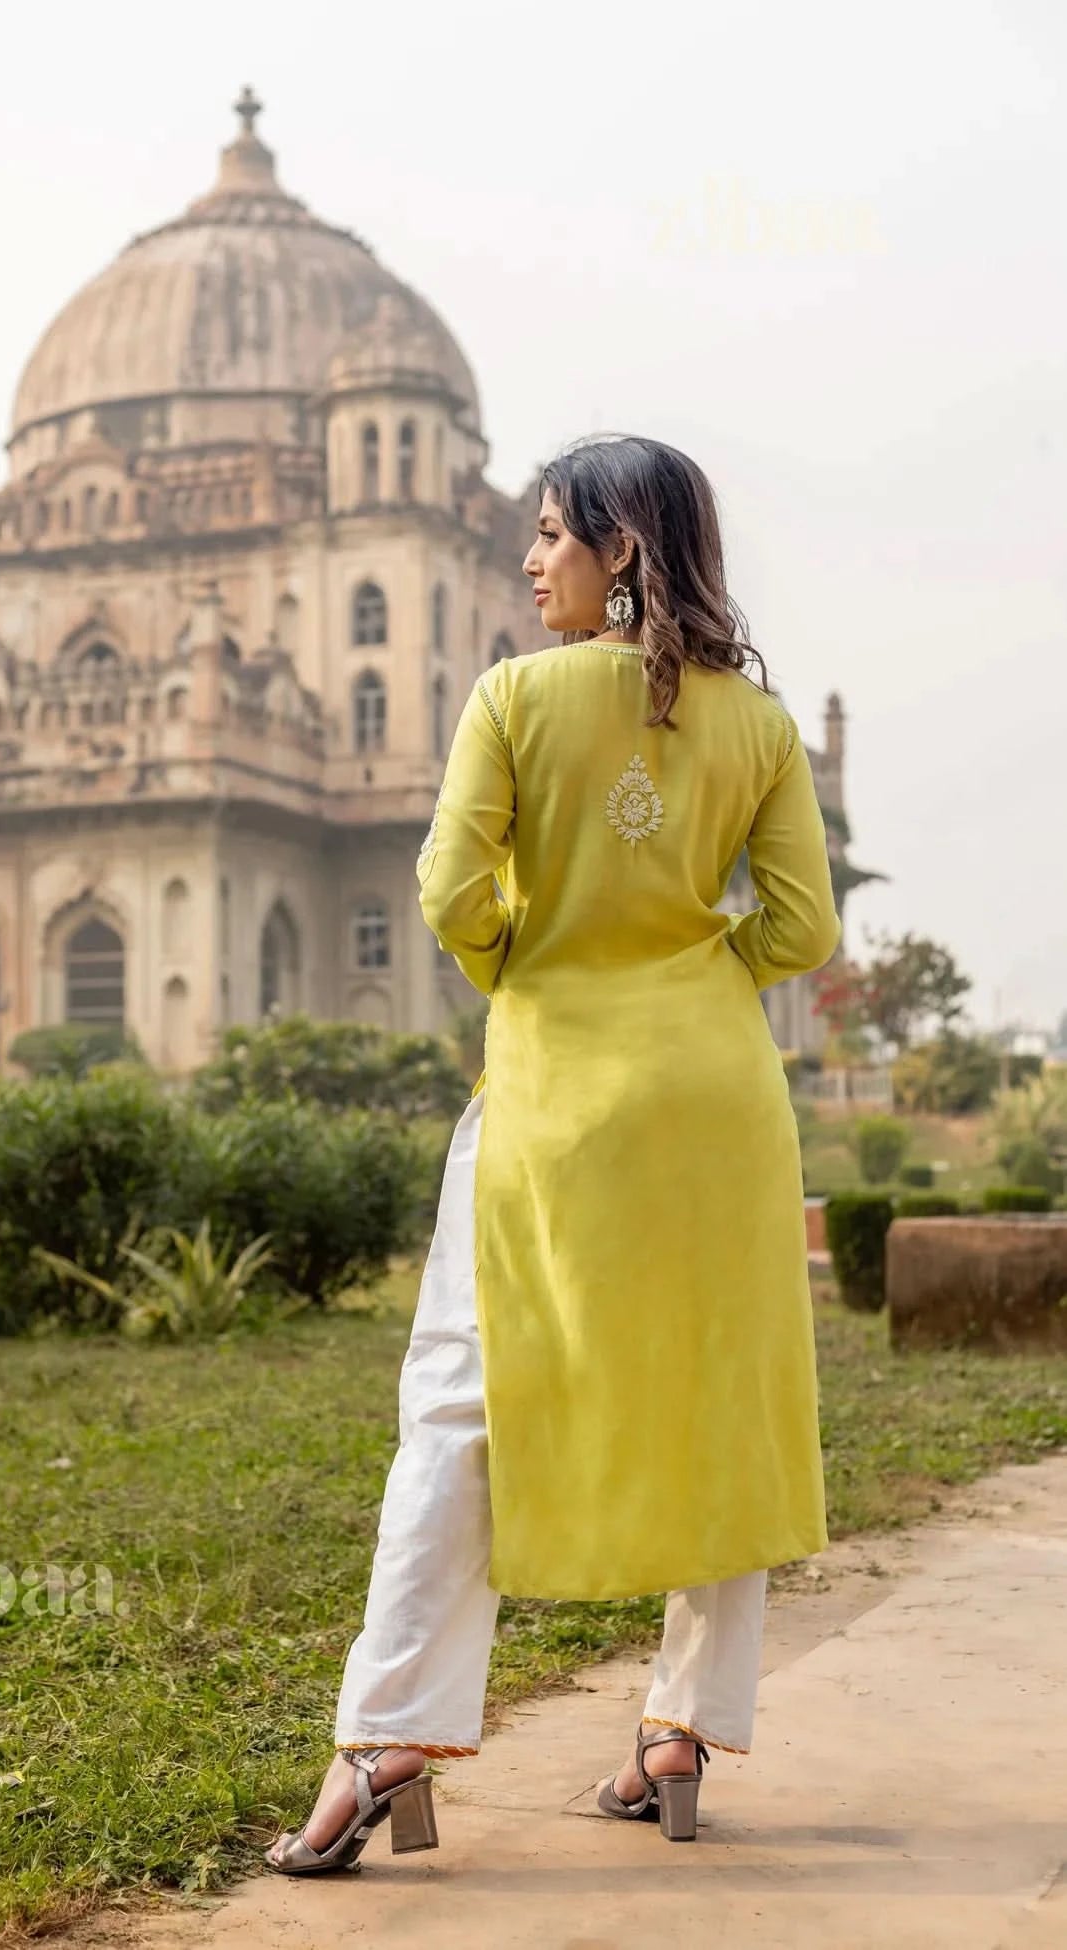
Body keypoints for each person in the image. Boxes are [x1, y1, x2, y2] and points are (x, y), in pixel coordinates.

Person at [265, 433, 841, 1873]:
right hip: (716, 1104)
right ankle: (680, 1733)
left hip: (551, 1096)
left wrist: (537, 956)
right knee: (719, 1398)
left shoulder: (515, 697)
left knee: (464, 1393)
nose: (529, 562)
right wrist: (693, 962)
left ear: (622, 552)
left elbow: (450, 888)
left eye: (550, 539)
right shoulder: (758, 728)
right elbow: (803, 932)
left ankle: (385, 1732)